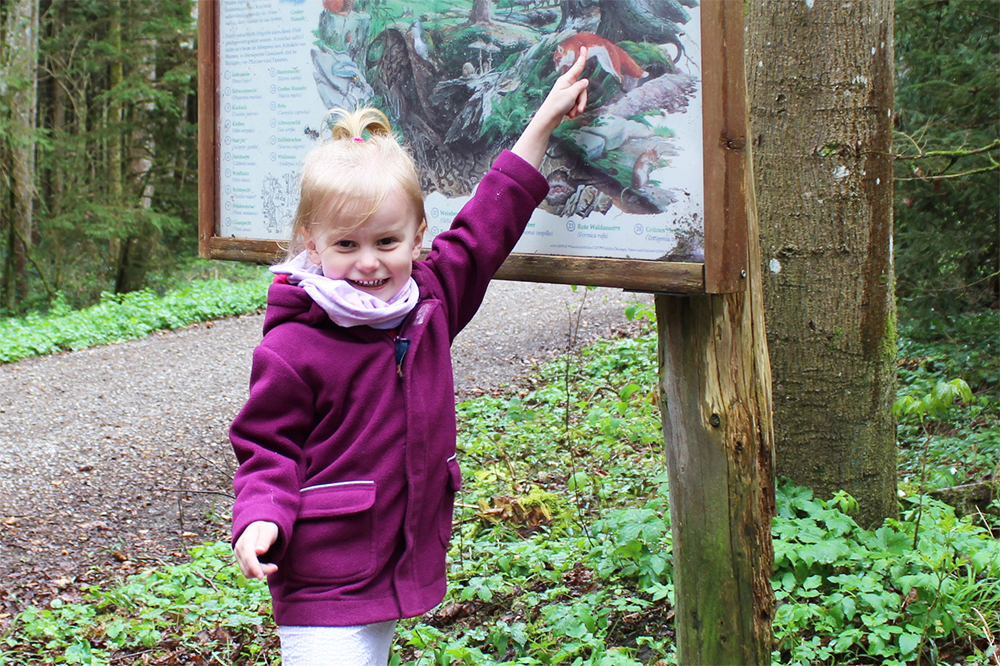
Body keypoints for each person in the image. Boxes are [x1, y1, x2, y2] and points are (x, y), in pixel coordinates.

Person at [230, 47, 589, 666]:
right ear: (311, 243)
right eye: (346, 244)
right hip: (325, 572)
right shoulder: (294, 345)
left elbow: (488, 221)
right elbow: (268, 445)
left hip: (395, 561)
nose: (368, 262)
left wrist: (544, 120)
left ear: (417, 237)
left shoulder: (428, 299)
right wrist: (260, 515)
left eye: (386, 241)